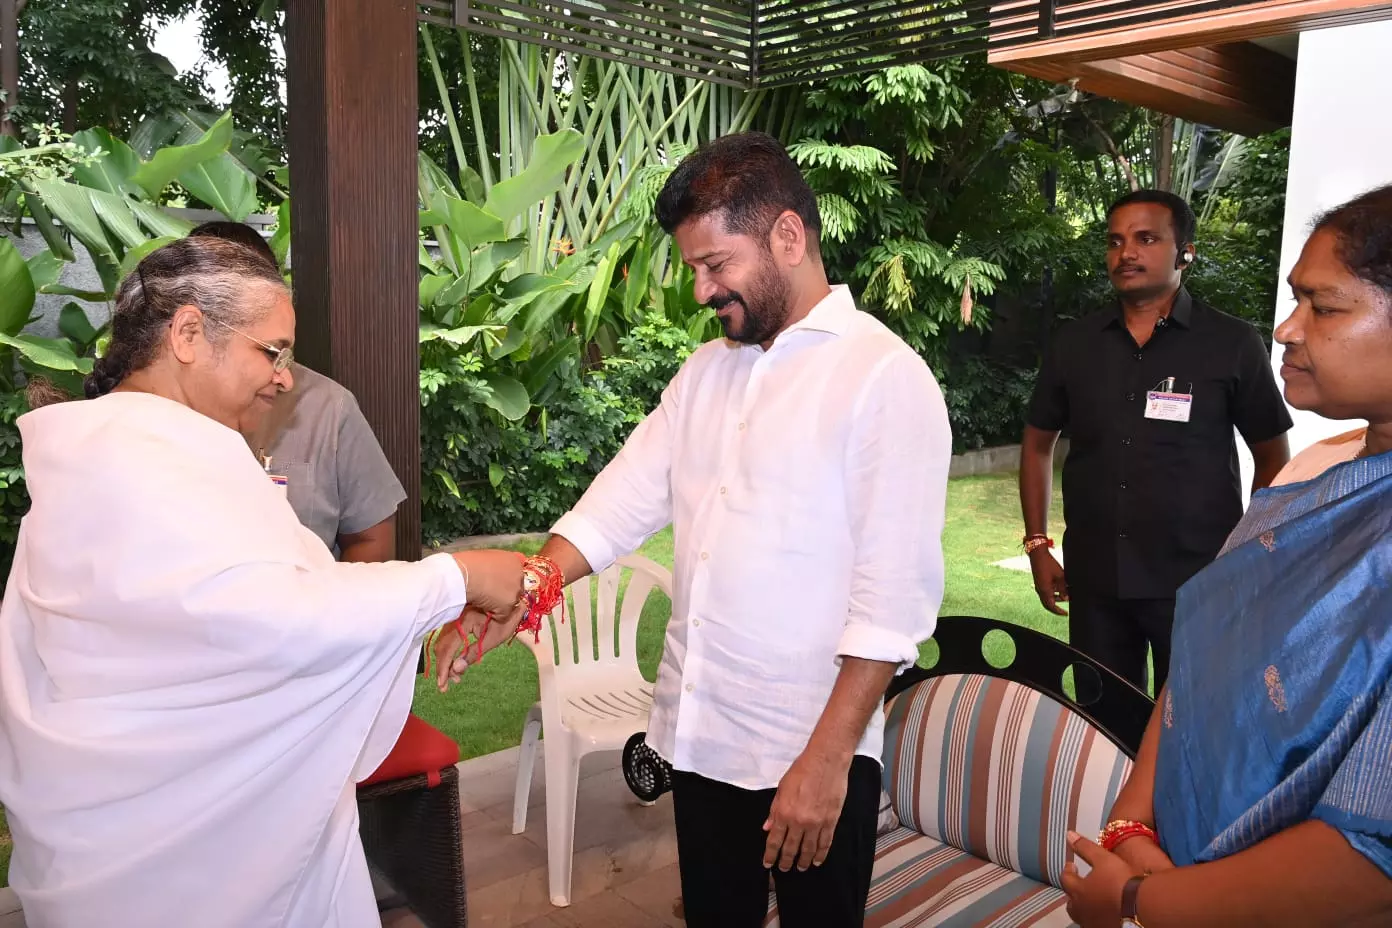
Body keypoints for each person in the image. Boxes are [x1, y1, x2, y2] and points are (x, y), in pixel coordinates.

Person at [437, 132, 952, 927]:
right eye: (695, 271)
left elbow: (892, 606)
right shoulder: (706, 373)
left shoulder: (884, 379)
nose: (704, 290)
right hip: (701, 731)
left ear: (787, 236)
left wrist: (828, 763)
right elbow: (618, 505)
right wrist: (532, 588)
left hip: (808, 746)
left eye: (717, 265)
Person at [0, 236, 531, 928]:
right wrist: (456, 577)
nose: (285, 377)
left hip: (127, 826)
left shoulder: (99, 452)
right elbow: (281, 621)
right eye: (272, 350)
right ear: (188, 333)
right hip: (188, 862)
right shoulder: (155, 464)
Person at [1060, 185, 1392, 927]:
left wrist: (1144, 898)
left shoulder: (1228, 349)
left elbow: (1371, 859)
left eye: (1324, 307)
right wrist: (1131, 827)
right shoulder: (1309, 483)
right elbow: (1200, 666)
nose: (1287, 328)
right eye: (1294, 301)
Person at [1019, 189, 1292, 694]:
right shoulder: (1075, 343)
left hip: (1197, 581)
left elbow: (1271, 453)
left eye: (1147, 239)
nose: (1127, 253)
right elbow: (1037, 444)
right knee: (1100, 727)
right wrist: (1038, 544)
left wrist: (1253, 546)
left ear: (1185, 251)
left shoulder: (1231, 343)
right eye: (1115, 241)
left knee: (1187, 729)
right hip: (1096, 581)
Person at [188, 221, 407, 564]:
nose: (284, 379)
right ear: (188, 331)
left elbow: (371, 540)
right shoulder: (140, 424)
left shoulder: (328, 408)